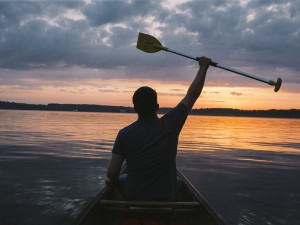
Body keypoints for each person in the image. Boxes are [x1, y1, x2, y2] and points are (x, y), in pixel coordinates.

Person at [107, 56, 211, 201]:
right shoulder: (171, 124)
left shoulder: (124, 134)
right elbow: (192, 95)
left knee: (122, 177)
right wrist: (203, 67)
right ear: (157, 107)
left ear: (135, 108)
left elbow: (112, 172)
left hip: (134, 196)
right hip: (165, 196)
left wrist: (113, 183)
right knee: (179, 182)